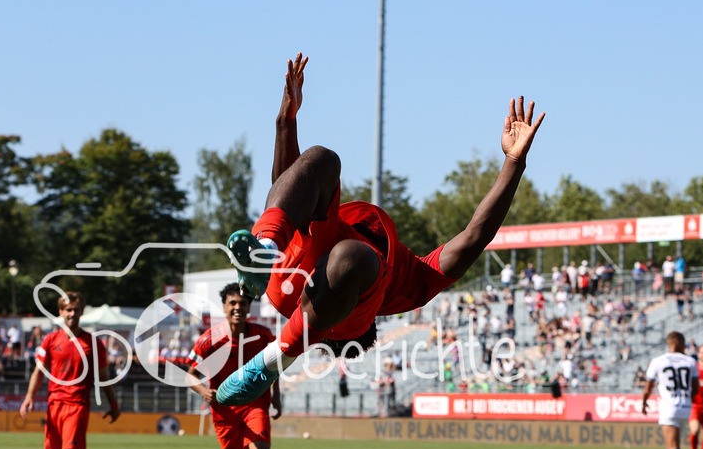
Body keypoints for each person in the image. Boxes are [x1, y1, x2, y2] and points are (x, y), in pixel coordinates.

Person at [218, 53, 544, 405]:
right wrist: (287, 118)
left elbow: (475, 236)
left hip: (292, 294)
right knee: (323, 159)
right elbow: (474, 237)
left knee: (355, 256)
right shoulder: (409, 278)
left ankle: (277, 355)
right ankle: (265, 247)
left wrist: (285, 123)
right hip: (285, 269)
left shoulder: (382, 291)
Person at [187, 283, 281, 449]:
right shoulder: (209, 339)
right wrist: (203, 391)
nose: (238, 307)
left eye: (242, 303)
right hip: (224, 412)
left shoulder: (263, 336)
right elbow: (189, 374)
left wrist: (278, 397)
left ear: (250, 307)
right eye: (233, 303)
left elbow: (275, 367)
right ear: (225, 307)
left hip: (255, 405)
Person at [19, 292, 120, 449]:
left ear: (82, 311)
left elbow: (103, 377)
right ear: (61, 312)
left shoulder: (93, 343)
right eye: (68, 310)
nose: (73, 314)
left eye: (76, 309)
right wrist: (28, 398)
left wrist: (113, 404)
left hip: (77, 405)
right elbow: (38, 372)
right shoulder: (50, 340)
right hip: (54, 406)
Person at [641, 331, 699, 449]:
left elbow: (648, 386)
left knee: (673, 448)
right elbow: (695, 388)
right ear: (679, 342)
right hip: (685, 407)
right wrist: (688, 399)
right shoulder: (690, 361)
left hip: (669, 407)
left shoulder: (658, 361)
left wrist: (644, 402)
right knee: (671, 446)